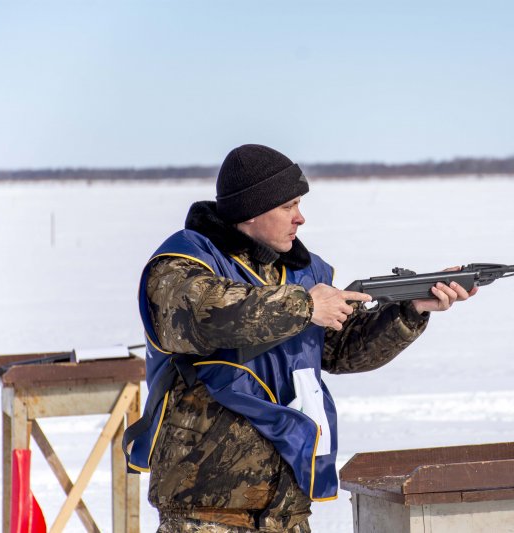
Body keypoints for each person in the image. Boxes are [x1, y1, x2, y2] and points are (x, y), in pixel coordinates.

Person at [124, 144, 476, 533]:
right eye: (288, 206)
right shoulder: (181, 264)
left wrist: (410, 310)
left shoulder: (302, 273)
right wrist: (305, 308)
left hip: (286, 511)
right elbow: (208, 315)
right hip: (204, 513)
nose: (300, 218)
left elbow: (342, 350)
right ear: (252, 210)